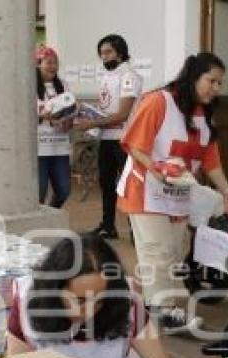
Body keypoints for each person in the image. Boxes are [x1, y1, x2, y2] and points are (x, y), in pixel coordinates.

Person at [6, 233, 185, 358]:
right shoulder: (28, 305)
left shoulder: (125, 302)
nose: (89, 312)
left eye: (100, 301)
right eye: (79, 300)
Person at [116, 52, 228, 333]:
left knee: (175, 251)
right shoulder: (158, 102)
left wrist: (227, 191)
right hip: (145, 190)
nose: (217, 88)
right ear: (193, 77)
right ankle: (163, 311)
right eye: (212, 81)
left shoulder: (204, 114)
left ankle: (155, 303)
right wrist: (156, 168)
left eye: (220, 83)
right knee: (157, 252)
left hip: (179, 194)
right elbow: (136, 145)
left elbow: (211, 159)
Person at [73, 34, 143, 239]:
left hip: (125, 139)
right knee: (106, 183)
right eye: (101, 53)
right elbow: (106, 107)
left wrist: (91, 123)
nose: (104, 57)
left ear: (120, 53)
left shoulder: (129, 76)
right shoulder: (106, 76)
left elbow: (122, 114)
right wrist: (86, 112)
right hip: (105, 138)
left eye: (108, 52)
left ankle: (136, 232)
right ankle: (107, 226)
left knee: (129, 186)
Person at [36, 45, 72, 208]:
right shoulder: (29, 85)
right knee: (38, 193)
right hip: (38, 149)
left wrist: (69, 118)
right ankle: (38, 224)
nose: (53, 66)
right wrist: (42, 115)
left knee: (64, 190)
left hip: (59, 147)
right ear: (38, 63)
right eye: (48, 63)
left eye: (55, 63)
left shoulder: (63, 85)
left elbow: (70, 109)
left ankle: (51, 214)